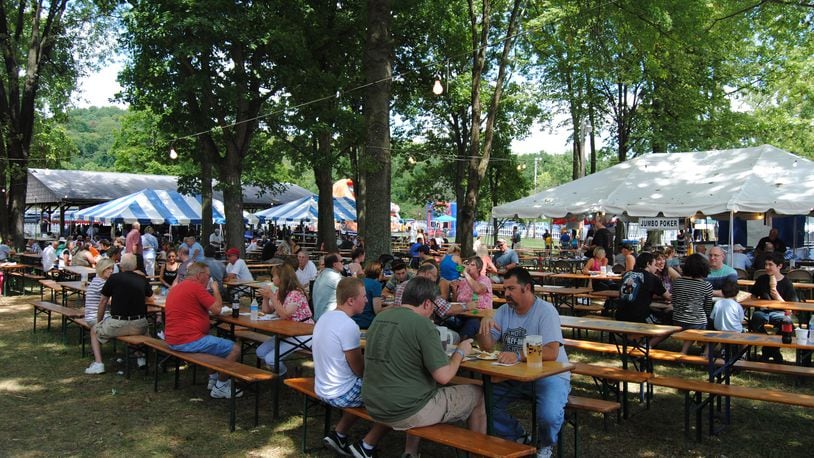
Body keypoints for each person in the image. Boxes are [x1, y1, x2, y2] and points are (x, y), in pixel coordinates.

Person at [362, 277, 486, 457]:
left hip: (373, 403)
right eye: (434, 307)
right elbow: (444, 376)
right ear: (427, 303)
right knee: (478, 394)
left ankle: (410, 453)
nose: (433, 313)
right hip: (406, 410)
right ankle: (478, 453)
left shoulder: (380, 317)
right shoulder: (422, 324)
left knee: (421, 386)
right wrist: (460, 352)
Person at [476, 267, 570, 457]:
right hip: (515, 375)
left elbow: (552, 351)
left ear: (527, 288)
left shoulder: (546, 311)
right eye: (505, 289)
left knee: (549, 415)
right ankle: (518, 436)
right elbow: (487, 346)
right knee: (482, 401)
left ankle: (545, 444)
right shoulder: (504, 310)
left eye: (511, 289)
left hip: (549, 375)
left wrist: (518, 355)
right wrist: (483, 326)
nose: (506, 294)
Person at [314, 277, 391, 457]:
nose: (366, 300)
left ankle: (339, 435)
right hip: (340, 392)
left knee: (366, 388)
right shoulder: (348, 325)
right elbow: (359, 370)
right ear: (350, 300)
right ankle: (366, 447)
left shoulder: (325, 317)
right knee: (394, 398)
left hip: (323, 387)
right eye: (363, 296)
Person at [164, 262, 243, 398]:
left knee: (210, 343)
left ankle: (213, 379)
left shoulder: (177, 287)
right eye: (208, 276)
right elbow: (217, 309)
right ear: (200, 275)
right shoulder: (196, 287)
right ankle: (221, 386)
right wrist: (216, 290)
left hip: (172, 338)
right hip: (187, 340)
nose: (209, 279)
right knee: (234, 349)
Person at [84, 254, 153, 375]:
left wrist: (99, 322)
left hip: (117, 325)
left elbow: (103, 301)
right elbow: (150, 297)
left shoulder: (114, 279)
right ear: (135, 266)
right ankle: (141, 358)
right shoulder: (142, 279)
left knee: (94, 330)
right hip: (139, 324)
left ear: (120, 265)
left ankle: (99, 364)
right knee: (145, 330)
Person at [257, 264, 313, 375]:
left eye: (274, 276)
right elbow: (266, 311)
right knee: (260, 352)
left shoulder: (296, 293)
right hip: (286, 332)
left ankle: (286, 375)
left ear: (282, 278)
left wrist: (272, 296)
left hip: (302, 333)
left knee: (271, 359)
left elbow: (285, 315)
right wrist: (265, 297)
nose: (272, 278)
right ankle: (290, 372)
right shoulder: (280, 291)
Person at [749, 251, 798, 362]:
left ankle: (768, 350)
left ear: (779, 266)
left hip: (780, 312)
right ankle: (774, 351)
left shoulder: (787, 283)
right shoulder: (761, 279)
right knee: (757, 317)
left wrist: (777, 297)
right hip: (762, 312)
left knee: (785, 322)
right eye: (766, 264)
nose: (767, 267)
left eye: (770, 264)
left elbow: (791, 307)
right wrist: (758, 302)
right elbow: (753, 296)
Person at [671, 254, 714, 354]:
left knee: (694, 323)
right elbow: (707, 308)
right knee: (712, 324)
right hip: (697, 322)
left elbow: (674, 301)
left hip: (677, 319)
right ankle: (705, 352)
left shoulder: (677, 282)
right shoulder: (706, 285)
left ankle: (689, 350)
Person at [615, 252, 670, 324]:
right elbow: (668, 297)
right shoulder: (652, 278)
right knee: (668, 319)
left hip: (620, 315)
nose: (655, 267)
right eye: (654, 264)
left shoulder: (627, 274)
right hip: (639, 317)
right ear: (648, 264)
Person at [312, 253, 344, 321]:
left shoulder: (322, 274)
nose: (343, 263)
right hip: (328, 319)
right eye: (341, 261)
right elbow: (350, 292)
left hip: (319, 318)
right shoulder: (334, 277)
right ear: (335, 264)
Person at [83, 258, 115, 326]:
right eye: (108, 268)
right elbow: (111, 302)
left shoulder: (96, 280)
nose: (111, 271)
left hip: (90, 317)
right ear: (102, 269)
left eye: (112, 268)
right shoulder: (102, 283)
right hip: (98, 318)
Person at [353, 262, 383, 329]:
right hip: (367, 321)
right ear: (379, 272)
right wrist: (391, 307)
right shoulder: (376, 284)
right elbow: (377, 310)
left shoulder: (359, 281)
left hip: (354, 320)